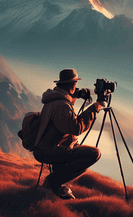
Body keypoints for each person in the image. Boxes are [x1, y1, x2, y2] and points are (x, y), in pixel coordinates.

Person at [33, 69, 105, 200]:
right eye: (75, 85)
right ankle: (53, 182)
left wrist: (76, 94)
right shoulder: (62, 105)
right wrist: (95, 108)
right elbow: (75, 127)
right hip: (52, 150)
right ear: (72, 85)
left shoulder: (54, 98)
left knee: (71, 150)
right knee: (94, 153)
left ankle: (57, 188)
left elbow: (63, 117)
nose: (76, 87)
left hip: (47, 146)